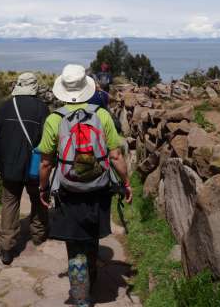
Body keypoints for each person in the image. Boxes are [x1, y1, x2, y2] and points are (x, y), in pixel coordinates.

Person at [37, 64, 132, 307]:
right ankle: (92, 276)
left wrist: (43, 188)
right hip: (98, 187)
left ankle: (80, 296)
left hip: (69, 190)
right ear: (86, 88)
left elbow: (46, 162)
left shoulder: (54, 119)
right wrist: (126, 182)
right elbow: (116, 156)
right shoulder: (101, 116)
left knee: (74, 241)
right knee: (91, 236)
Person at [0, 72, 49, 265]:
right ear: (34, 88)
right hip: (33, 166)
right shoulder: (42, 109)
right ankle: (38, 234)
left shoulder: (5, 107)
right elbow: (47, 140)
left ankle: (7, 248)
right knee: (38, 198)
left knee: (10, 202)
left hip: (9, 167)